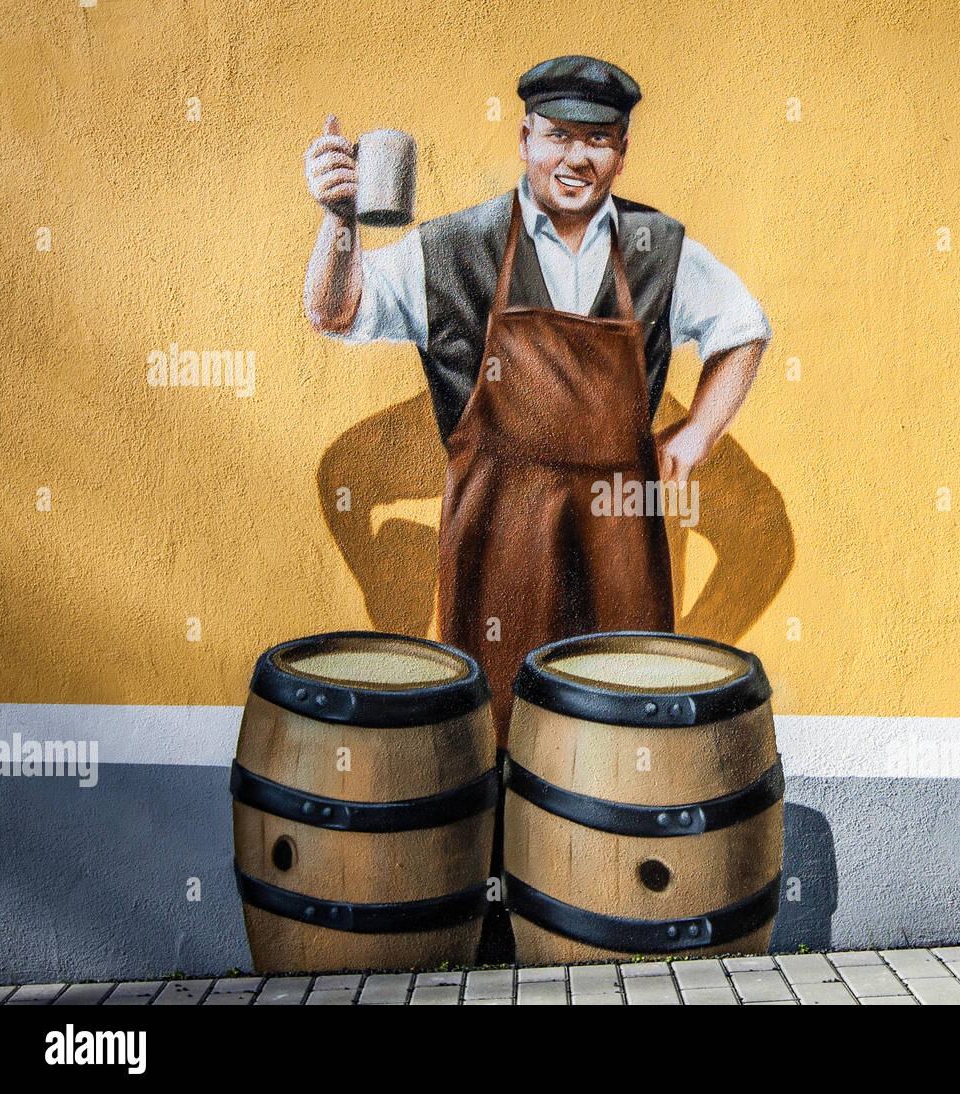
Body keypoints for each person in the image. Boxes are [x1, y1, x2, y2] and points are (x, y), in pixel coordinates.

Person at [303, 56, 771, 745]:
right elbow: (337, 311)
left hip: (621, 549)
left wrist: (700, 430)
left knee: (622, 743)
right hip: (497, 548)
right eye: (557, 136)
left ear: (621, 151)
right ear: (524, 139)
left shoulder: (658, 248)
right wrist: (340, 221)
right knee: (497, 735)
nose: (576, 158)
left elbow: (744, 328)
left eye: (598, 140)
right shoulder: (454, 249)